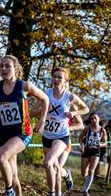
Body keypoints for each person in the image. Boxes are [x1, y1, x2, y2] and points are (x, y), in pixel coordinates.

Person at [0, 55, 49, 196]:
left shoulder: (24, 86)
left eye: (7, 66)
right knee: (14, 175)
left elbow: (45, 99)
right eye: (1, 66)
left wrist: (42, 120)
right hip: (5, 134)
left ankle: (8, 190)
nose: (3, 68)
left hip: (22, 133)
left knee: (0, 157)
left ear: (15, 68)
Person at [30, 67, 89, 196]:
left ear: (65, 80)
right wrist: (43, 110)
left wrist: (74, 112)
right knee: (53, 167)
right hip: (47, 136)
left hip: (62, 136)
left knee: (47, 162)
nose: (56, 79)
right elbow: (31, 112)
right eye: (54, 76)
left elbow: (86, 109)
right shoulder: (46, 94)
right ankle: (55, 192)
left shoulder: (69, 96)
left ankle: (53, 193)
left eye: (59, 77)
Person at [79, 113, 107, 196]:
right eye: (91, 119)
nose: (93, 120)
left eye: (95, 118)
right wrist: (82, 146)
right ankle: (87, 179)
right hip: (86, 151)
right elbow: (80, 138)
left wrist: (100, 145)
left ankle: (85, 190)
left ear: (99, 118)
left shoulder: (102, 130)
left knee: (91, 170)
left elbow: (105, 143)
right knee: (84, 173)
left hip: (96, 152)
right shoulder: (88, 128)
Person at [59, 104, 84, 191]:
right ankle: (66, 174)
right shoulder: (51, 98)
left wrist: (67, 128)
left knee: (56, 168)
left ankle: (55, 192)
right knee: (50, 167)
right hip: (50, 139)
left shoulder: (72, 106)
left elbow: (81, 125)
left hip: (65, 141)